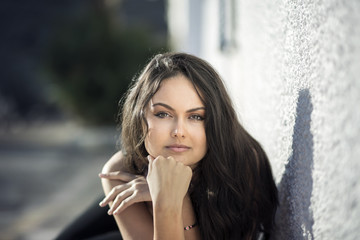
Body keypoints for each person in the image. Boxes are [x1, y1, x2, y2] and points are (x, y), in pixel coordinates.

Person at [96, 52, 278, 240]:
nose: (179, 131)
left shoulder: (243, 164)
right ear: (139, 116)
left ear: (215, 122)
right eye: (163, 114)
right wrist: (168, 200)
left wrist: (173, 198)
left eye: (196, 117)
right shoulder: (123, 171)